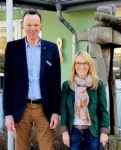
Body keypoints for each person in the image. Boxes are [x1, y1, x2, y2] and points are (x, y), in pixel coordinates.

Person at [3, 8, 61, 150]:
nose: (32, 29)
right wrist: (8, 114)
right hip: (20, 108)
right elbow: (8, 84)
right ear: (23, 25)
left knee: (47, 147)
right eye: (29, 25)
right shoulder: (12, 48)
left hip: (44, 109)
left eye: (36, 25)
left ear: (41, 26)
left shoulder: (52, 48)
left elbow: (55, 84)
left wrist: (55, 112)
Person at [60, 51, 109, 150]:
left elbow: (103, 110)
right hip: (74, 133)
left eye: (85, 63)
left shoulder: (98, 85)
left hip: (92, 132)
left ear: (89, 65)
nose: (81, 67)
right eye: (78, 63)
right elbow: (64, 110)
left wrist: (104, 132)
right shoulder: (67, 86)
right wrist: (64, 132)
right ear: (74, 65)